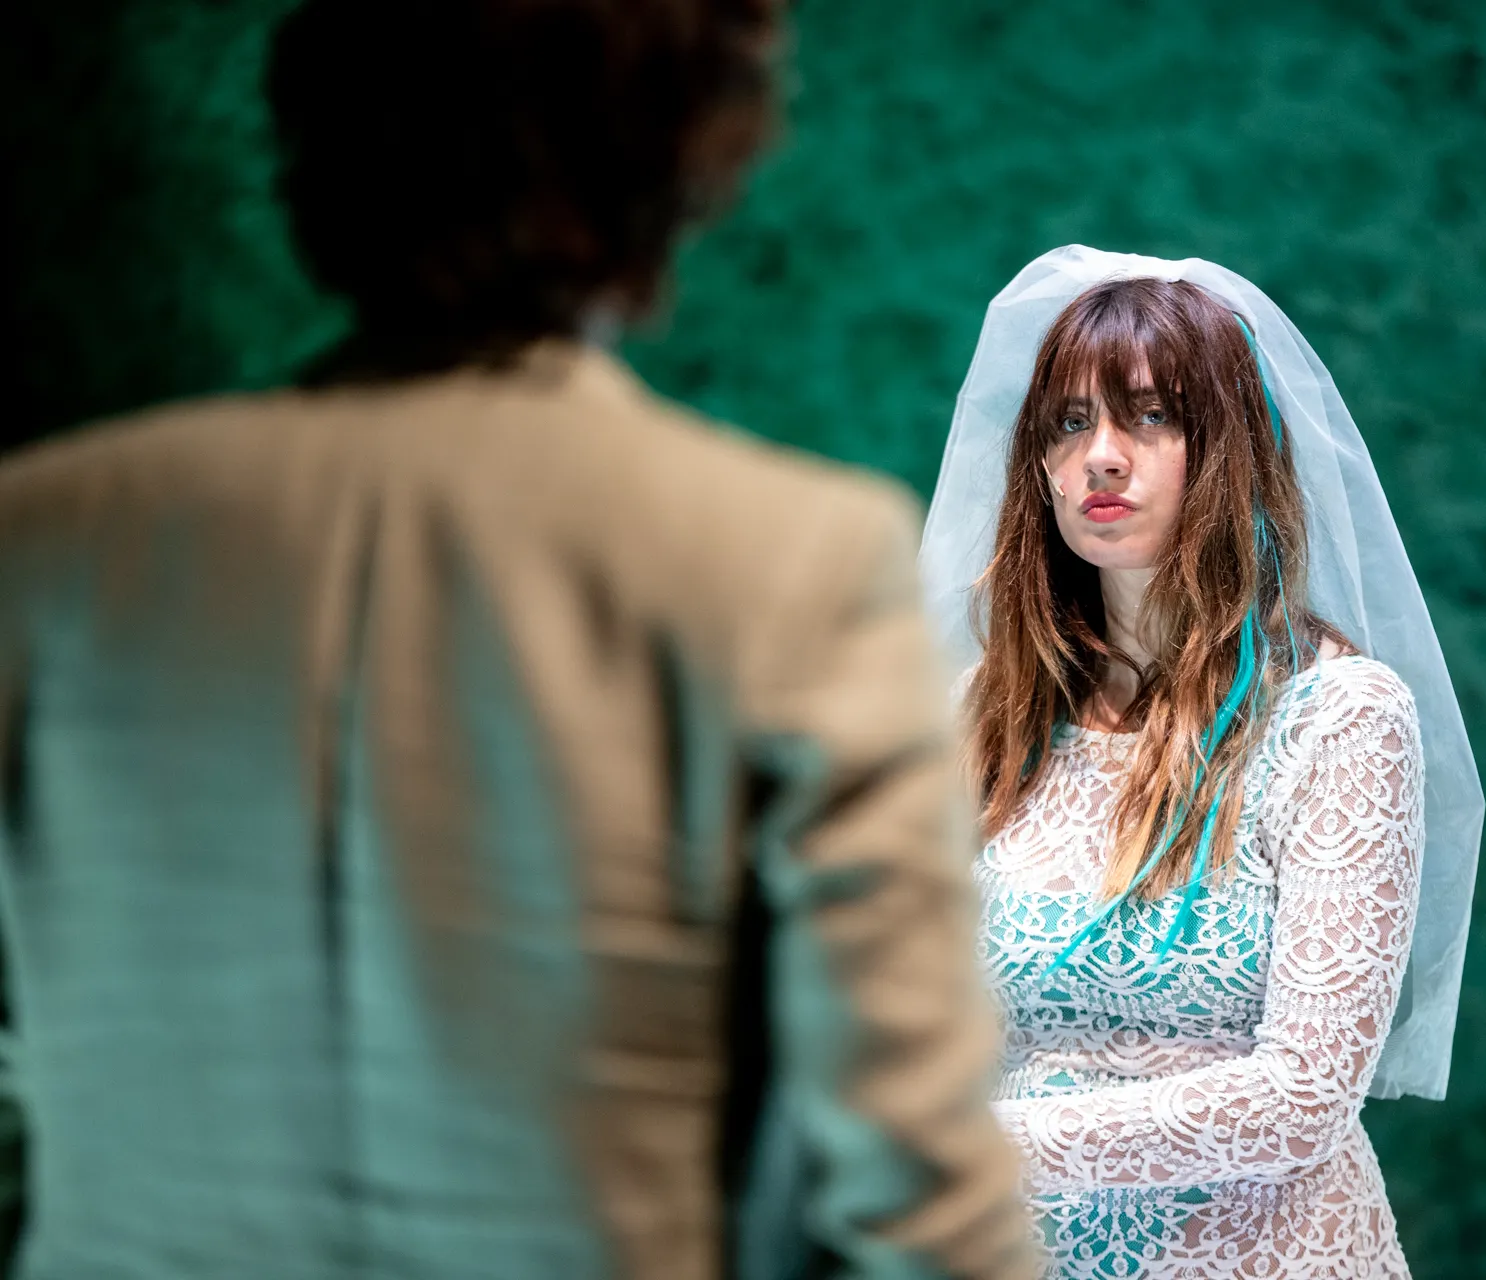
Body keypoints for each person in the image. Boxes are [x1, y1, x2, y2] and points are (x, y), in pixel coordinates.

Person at [0, 1, 1031, 1277]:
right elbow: (915, 1184)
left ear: (312, 138)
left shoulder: (40, 541)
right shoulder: (794, 559)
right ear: (684, 158)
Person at [918, 247, 1485, 1278]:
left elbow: (1304, 1093)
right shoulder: (983, 719)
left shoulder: (1337, 719)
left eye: (1149, 415)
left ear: (1225, 450)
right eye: (1070, 422)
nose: (1101, 454)